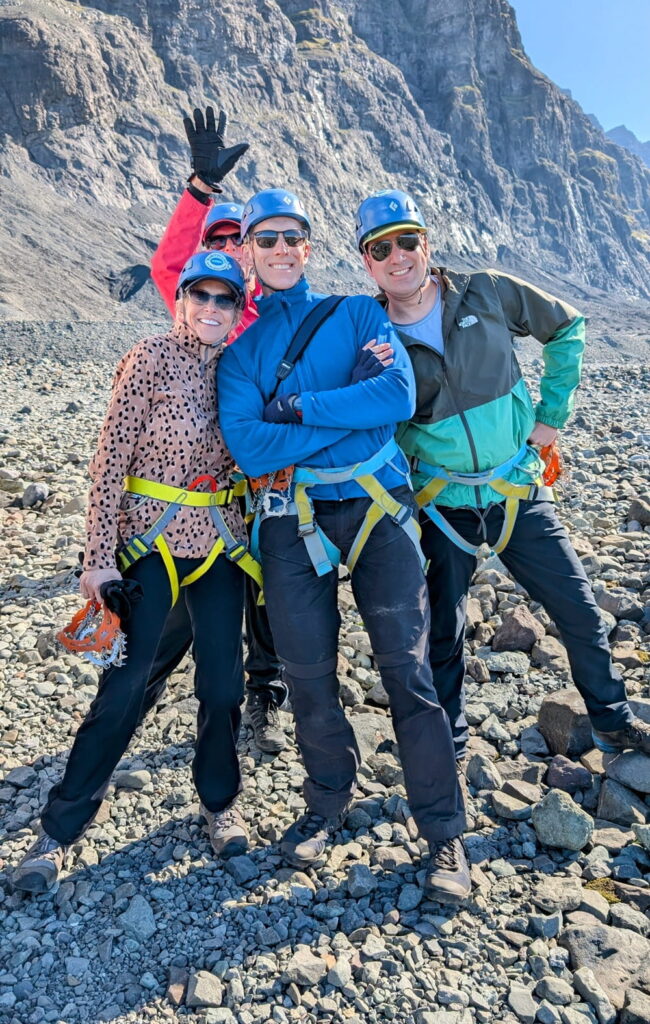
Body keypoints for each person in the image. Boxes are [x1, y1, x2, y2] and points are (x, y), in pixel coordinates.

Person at [217, 188, 470, 903]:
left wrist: (295, 407)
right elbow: (248, 443)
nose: (282, 251)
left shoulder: (359, 312)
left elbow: (393, 398)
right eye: (266, 240)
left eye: (293, 237)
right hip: (289, 521)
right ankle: (327, 801)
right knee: (307, 673)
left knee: (407, 671)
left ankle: (443, 831)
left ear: (309, 245)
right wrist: (343, 419)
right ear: (249, 251)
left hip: (377, 512)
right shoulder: (239, 354)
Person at [355, 188, 650, 766]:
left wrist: (551, 418)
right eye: (381, 247)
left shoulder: (486, 290)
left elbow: (568, 328)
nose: (398, 255)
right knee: (440, 630)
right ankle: (448, 745)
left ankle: (614, 723)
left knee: (579, 610)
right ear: (367, 261)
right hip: (441, 503)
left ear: (426, 243)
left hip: (516, 489)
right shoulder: (369, 331)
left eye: (407, 240)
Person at [13, 252, 256, 894]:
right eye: (198, 295)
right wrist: (96, 561)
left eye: (223, 298)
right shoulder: (149, 357)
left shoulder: (239, 367)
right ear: (179, 301)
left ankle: (218, 801)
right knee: (125, 687)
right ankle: (58, 832)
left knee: (224, 685)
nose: (210, 308)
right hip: (147, 543)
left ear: (237, 308)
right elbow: (109, 461)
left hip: (218, 545)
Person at [147, 107, 287, 754]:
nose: (229, 248)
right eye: (219, 238)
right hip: (198, 480)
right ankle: (136, 695)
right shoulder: (204, 302)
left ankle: (269, 695)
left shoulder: (265, 311)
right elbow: (167, 266)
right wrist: (200, 191)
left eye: (240, 239)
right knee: (184, 592)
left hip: (258, 471)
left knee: (267, 587)